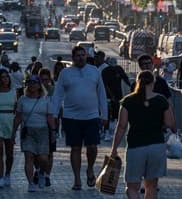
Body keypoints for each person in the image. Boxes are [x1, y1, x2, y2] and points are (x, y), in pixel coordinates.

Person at [110, 70, 177, 199]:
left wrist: (114, 149)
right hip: (156, 146)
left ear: (137, 83)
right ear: (153, 83)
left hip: (135, 147)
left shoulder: (128, 101)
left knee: (131, 186)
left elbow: (121, 126)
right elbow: (169, 123)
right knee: (151, 186)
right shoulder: (161, 100)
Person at [51, 45, 108, 190]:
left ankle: (90, 169)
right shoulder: (65, 73)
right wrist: (54, 114)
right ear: (73, 57)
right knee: (75, 148)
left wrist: (104, 114)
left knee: (92, 147)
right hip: (71, 117)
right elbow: (57, 95)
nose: (81, 57)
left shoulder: (94, 71)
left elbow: (101, 93)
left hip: (92, 116)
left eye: (83, 55)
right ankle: (77, 179)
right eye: (78, 55)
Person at [13, 75, 54, 192]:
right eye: (29, 83)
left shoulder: (45, 100)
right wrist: (13, 132)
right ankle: (30, 183)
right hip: (28, 131)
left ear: (39, 86)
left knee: (44, 159)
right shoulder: (22, 100)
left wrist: (54, 132)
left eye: (34, 83)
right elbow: (18, 117)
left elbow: (50, 117)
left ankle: (41, 173)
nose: (32, 85)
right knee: (29, 157)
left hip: (43, 131)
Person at [101, 57, 131, 141]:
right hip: (108, 96)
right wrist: (111, 96)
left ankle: (118, 132)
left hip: (119, 95)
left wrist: (132, 88)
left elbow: (125, 78)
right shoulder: (105, 71)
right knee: (107, 113)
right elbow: (105, 85)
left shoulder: (119, 69)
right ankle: (106, 131)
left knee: (119, 113)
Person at [38, 68, 56, 187]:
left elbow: (58, 108)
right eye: (42, 80)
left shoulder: (54, 91)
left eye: (47, 79)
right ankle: (39, 171)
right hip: (38, 124)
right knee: (38, 153)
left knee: (49, 152)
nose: (45, 82)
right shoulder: (35, 91)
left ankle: (47, 175)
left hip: (50, 124)